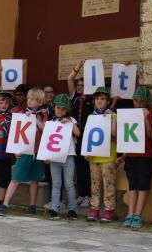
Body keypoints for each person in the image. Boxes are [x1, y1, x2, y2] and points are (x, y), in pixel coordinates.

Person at [0, 88, 49, 215]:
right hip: (24, 150)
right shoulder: (21, 113)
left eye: (32, 99)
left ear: (39, 101)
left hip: (38, 151)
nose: (29, 101)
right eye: (28, 99)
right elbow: (15, 133)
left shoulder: (43, 114)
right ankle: (5, 203)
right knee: (16, 177)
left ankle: (32, 205)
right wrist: (16, 150)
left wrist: (35, 119)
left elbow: (45, 129)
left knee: (35, 179)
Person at [120, 86, 152, 230]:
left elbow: (150, 135)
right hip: (131, 155)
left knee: (142, 185)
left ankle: (138, 215)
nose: (138, 104)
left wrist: (146, 118)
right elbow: (126, 137)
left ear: (147, 102)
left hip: (145, 155)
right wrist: (123, 156)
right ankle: (130, 213)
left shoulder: (150, 115)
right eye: (136, 101)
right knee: (132, 185)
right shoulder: (129, 115)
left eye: (142, 101)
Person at [85, 86, 118, 223]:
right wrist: (86, 152)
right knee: (94, 183)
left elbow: (115, 135)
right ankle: (95, 208)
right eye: (97, 98)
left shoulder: (112, 115)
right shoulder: (91, 117)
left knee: (108, 184)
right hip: (94, 156)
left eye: (103, 98)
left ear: (108, 101)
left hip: (108, 156)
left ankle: (109, 209)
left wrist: (110, 119)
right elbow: (88, 136)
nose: (99, 101)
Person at [46, 93, 80, 220]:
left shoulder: (71, 120)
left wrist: (70, 124)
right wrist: (47, 156)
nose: (60, 110)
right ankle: (54, 207)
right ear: (54, 107)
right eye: (58, 107)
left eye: (63, 108)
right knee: (56, 183)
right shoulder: (51, 122)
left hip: (68, 155)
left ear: (67, 110)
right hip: (54, 156)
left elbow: (77, 133)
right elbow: (47, 141)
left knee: (69, 183)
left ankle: (72, 209)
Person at [68, 60, 94, 207]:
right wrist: (78, 67)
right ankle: (82, 194)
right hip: (75, 138)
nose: (79, 87)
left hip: (88, 138)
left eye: (82, 85)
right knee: (78, 167)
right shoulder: (74, 98)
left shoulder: (92, 100)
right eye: (78, 85)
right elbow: (69, 79)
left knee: (86, 167)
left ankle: (88, 196)